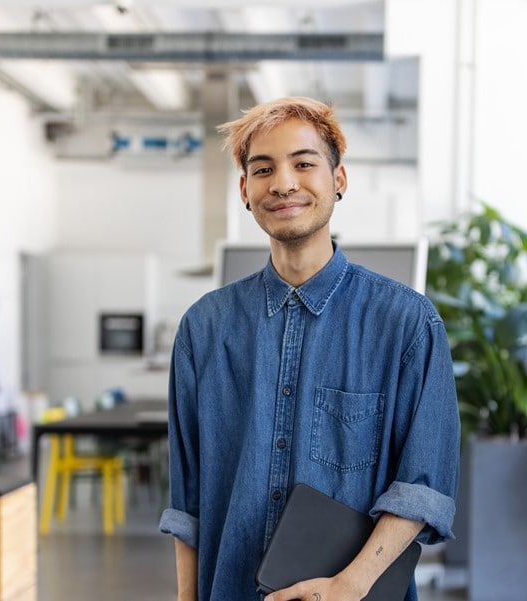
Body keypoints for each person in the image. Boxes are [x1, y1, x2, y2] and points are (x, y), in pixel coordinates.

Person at [158, 96, 460, 601]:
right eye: (263, 169)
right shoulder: (203, 329)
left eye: (303, 163)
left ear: (338, 179)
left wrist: (349, 585)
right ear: (245, 190)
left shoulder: (407, 324)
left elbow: (422, 488)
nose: (283, 183)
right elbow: (188, 504)